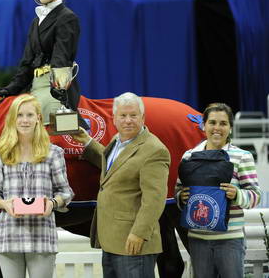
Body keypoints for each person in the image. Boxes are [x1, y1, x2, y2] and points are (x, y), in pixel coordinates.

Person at [72, 92, 170, 277]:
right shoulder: (117, 140)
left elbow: (154, 200)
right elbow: (116, 167)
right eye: (123, 116)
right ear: (114, 119)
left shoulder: (154, 150)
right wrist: (87, 142)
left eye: (133, 115)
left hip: (133, 242)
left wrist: (139, 233)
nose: (128, 120)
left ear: (143, 117)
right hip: (112, 240)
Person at [0, 94, 74, 278]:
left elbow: (65, 192)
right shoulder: (1, 153)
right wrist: (5, 204)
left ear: (38, 118)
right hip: (9, 236)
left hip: (42, 235)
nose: (24, 120)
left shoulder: (53, 153)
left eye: (30, 115)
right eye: (20, 115)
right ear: (12, 119)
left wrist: (53, 204)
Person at [0, 0, 86, 128]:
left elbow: (62, 58)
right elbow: (27, 62)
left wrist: (57, 90)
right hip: (33, 86)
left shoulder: (67, 18)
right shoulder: (35, 22)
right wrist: (10, 88)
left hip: (54, 88)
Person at [175, 103, 260, 278]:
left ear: (230, 128)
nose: (217, 128)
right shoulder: (188, 156)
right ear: (203, 125)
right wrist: (181, 197)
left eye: (223, 123)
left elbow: (255, 196)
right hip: (197, 239)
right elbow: (179, 190)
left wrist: (237, 194)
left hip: (230, 240)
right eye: (212, 122)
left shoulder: (243, 156)